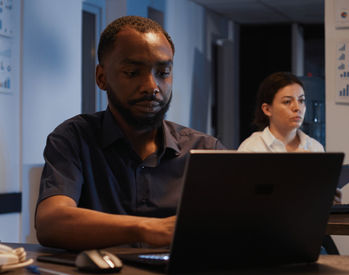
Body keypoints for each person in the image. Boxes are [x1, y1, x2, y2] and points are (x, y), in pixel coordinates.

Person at [35, 16, 224, 251]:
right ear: (102, 78)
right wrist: (146, 228)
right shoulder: (74, 138)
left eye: (163, 73)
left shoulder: (205, 150)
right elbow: (51, 222)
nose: (152, 86)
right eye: (133, 72)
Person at [238, 72, 341, 203]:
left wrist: (330, 202)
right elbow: (245, 202)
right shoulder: (251, 149)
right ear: (267, 109)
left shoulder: (314, 147)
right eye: (287, 102)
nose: (297, 108)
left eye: (301, 100)